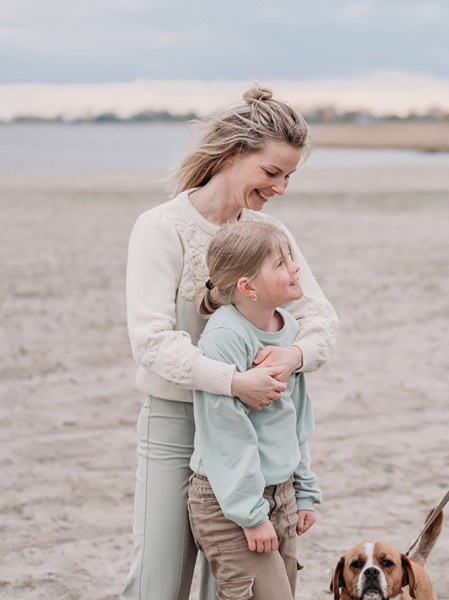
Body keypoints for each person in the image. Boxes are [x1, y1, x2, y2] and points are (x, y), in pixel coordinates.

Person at [123, 86, 338, 600]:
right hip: (176, 426)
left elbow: (321, 319)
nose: (281, 187)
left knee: (234, 586)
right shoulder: (161, 227)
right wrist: (235, 382)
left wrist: (294, 355)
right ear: (234, 153)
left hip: (257, 434)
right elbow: (150, 342)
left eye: (289, 176)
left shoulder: (269, 232)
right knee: (158, 582)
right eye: (272, 172)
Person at [188, 221, 321, 599]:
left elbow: (296, 418)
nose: (295, 267)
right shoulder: (225, 336)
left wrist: (304, 491)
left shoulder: (288, 327)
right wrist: (250, 514)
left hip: (281, 494)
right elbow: (226, 434)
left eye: (290, 258)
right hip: (229, 500)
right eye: (281, 263)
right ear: (248, 288)